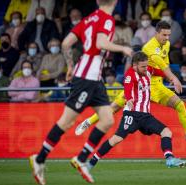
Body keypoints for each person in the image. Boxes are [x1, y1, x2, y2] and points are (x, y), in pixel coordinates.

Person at [29, 0, 133, 184]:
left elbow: (65, 43)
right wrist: (123, 48)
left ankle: (81, 159)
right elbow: (101, 43)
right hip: (86, 79)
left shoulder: (88, 19)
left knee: (108, 119)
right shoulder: (107, 19)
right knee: (66, 122)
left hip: (93, 78)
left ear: (97, 1)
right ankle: (39, 160)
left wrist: (70, 66)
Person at [75, 21, 186, 147]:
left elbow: (164, 65)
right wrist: (174, 78)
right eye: (164, 35)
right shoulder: (149, 48)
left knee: (180, 105)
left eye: (168, 35)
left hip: (157, 87)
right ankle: (88, 122)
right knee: (114, 108)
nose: (167, 38)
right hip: (140, 86)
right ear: (156, 33)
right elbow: (159, 63)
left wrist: (168, 77)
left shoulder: (166, 44)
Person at [86, 52, 186, 174]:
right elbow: (128, 89)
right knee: (116, 139)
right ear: (134, 65)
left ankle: (170, 159)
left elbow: (161, 72)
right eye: (143, 67)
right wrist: (129, 99)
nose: (146, 69)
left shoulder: (148, 69)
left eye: (146, 66)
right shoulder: (130, 75)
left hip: (145, 116)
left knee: (166, 132)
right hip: (132, 114)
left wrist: (173, 79)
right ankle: (91, 163)